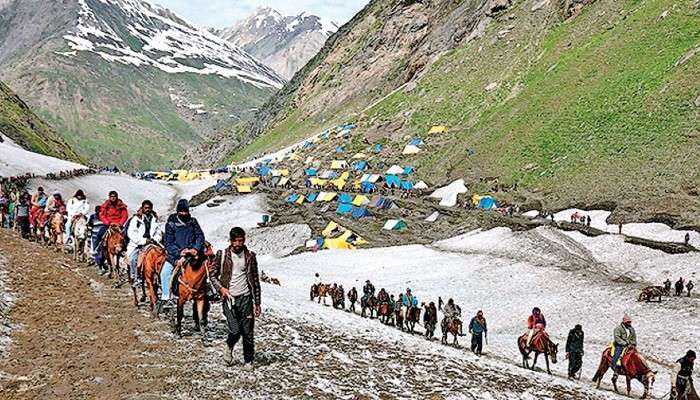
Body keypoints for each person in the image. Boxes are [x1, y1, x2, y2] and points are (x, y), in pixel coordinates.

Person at [210, 227, 261, 369]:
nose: (238, 244)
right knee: (235, 330)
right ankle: (229, 346)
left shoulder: (250, 256)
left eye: (241, 240)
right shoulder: (223, 255)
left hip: (245, 298)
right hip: (229, 298)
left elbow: (255, 281)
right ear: (231, 241)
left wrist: (257, 303)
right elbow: (212, 275)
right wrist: (221, 289)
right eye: (236, 241)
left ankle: (248, 360)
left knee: (248, 332)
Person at [160, 199, 204, 309]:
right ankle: (166, 297)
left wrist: (195, 248)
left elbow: (200, 236)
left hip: (192, 253)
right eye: (182, 211)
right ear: (178, 211)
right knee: (165, 273)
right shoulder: (171, 224)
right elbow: (168, 243)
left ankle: (208, 290)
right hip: (177, 254)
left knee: (206, 268)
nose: (184, 213)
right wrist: (180, 252)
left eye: (186, 211)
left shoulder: (193, 222)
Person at [126, 200, 161, 290]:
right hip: (139, 244)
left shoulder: (155, 219)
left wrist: (155, 239)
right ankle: (136, 278)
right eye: (146, 208)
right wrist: (143, 241)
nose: (147, 210)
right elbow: (131, 232)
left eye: (149, 208)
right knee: (133, 259)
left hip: (152, 242)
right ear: (142, 208)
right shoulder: (136, 219)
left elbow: (158, 232)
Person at [96, 191, 128, 270]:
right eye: (111, 196)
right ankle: (97, 248)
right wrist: (108, 222)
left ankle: (125, 250)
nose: (113, 198)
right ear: (109, 197)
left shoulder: (121, 205)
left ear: (117, 197)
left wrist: (120, 223)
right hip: (108, 224)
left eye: (114, 196)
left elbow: (125, 215)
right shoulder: (106, 205)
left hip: (118, 225)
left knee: (126, 235)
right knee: (100, 233)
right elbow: (102, 215)